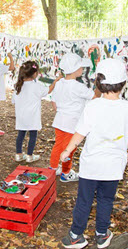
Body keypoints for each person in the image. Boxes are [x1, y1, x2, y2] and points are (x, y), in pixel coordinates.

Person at [59, 58, 128, 249]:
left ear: (98, 83)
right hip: (113, 168)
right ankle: (102, 234)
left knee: (84, 201)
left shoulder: (92, 106)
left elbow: (80, 133)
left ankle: (76, 235)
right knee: (106, 200)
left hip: (90, 167)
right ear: (123, 84)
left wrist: (67, 150)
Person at [50, 53, 97, 182]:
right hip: (73, 123)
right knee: (69, 149)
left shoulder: (59, 84)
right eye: (81, 67)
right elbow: (94, 97)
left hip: (59, 121)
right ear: (75, 70)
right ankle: (66, 173)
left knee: (58, 145)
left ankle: (52, 169)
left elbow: (54, 104)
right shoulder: (78, 87)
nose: (82, 70)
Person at [12, 60, 59, 163]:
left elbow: (13, 101)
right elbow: (48, 90)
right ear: (34, 74)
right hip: (32, 117)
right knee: (33, 136)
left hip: (21, 117)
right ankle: (29, 155)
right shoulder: (36, 86)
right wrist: (55, 82)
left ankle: (18, 154)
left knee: (21, 135)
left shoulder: (18, 86)